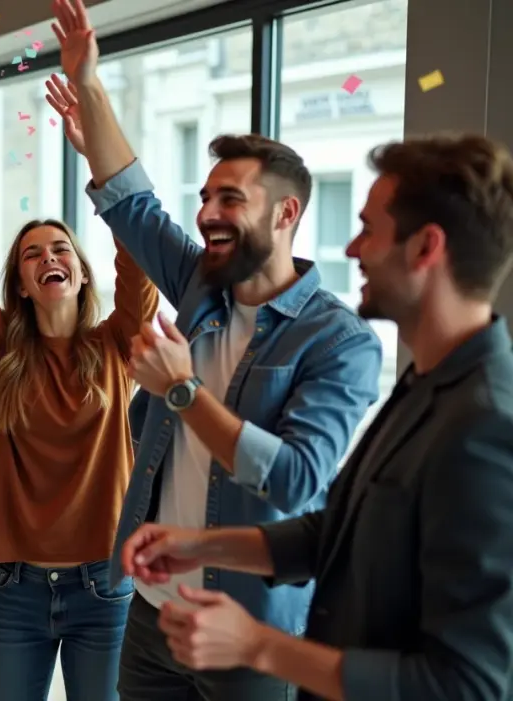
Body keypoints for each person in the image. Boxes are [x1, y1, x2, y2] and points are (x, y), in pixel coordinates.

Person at [46, 1, 382, 699]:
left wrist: (182, 392)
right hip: (152, 611)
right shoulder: (204, 287)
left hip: (249, 628)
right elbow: (132, 202)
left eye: (230, 198)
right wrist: (90, 83)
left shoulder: (339, 339)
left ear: (285, 213)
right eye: (205, 198)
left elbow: (293, 478)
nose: (206, 213)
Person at [123, 133, 513, 701]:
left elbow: (467, 685)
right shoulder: (427, 383)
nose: (352, 249)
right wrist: (202, 545)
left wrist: (259, 646)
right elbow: (340, 531)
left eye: (369, 230)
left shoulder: (486, 429)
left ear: (426, 248)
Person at [0, 68, 158, 700]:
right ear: (21, 283)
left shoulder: (120, 343)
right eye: (33, 254)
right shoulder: (1, 349)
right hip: (16, 590)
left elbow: (140, 247)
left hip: (106, 586)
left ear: (80, 271)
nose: (49, 257)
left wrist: (98, 151)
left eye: (60, 250)